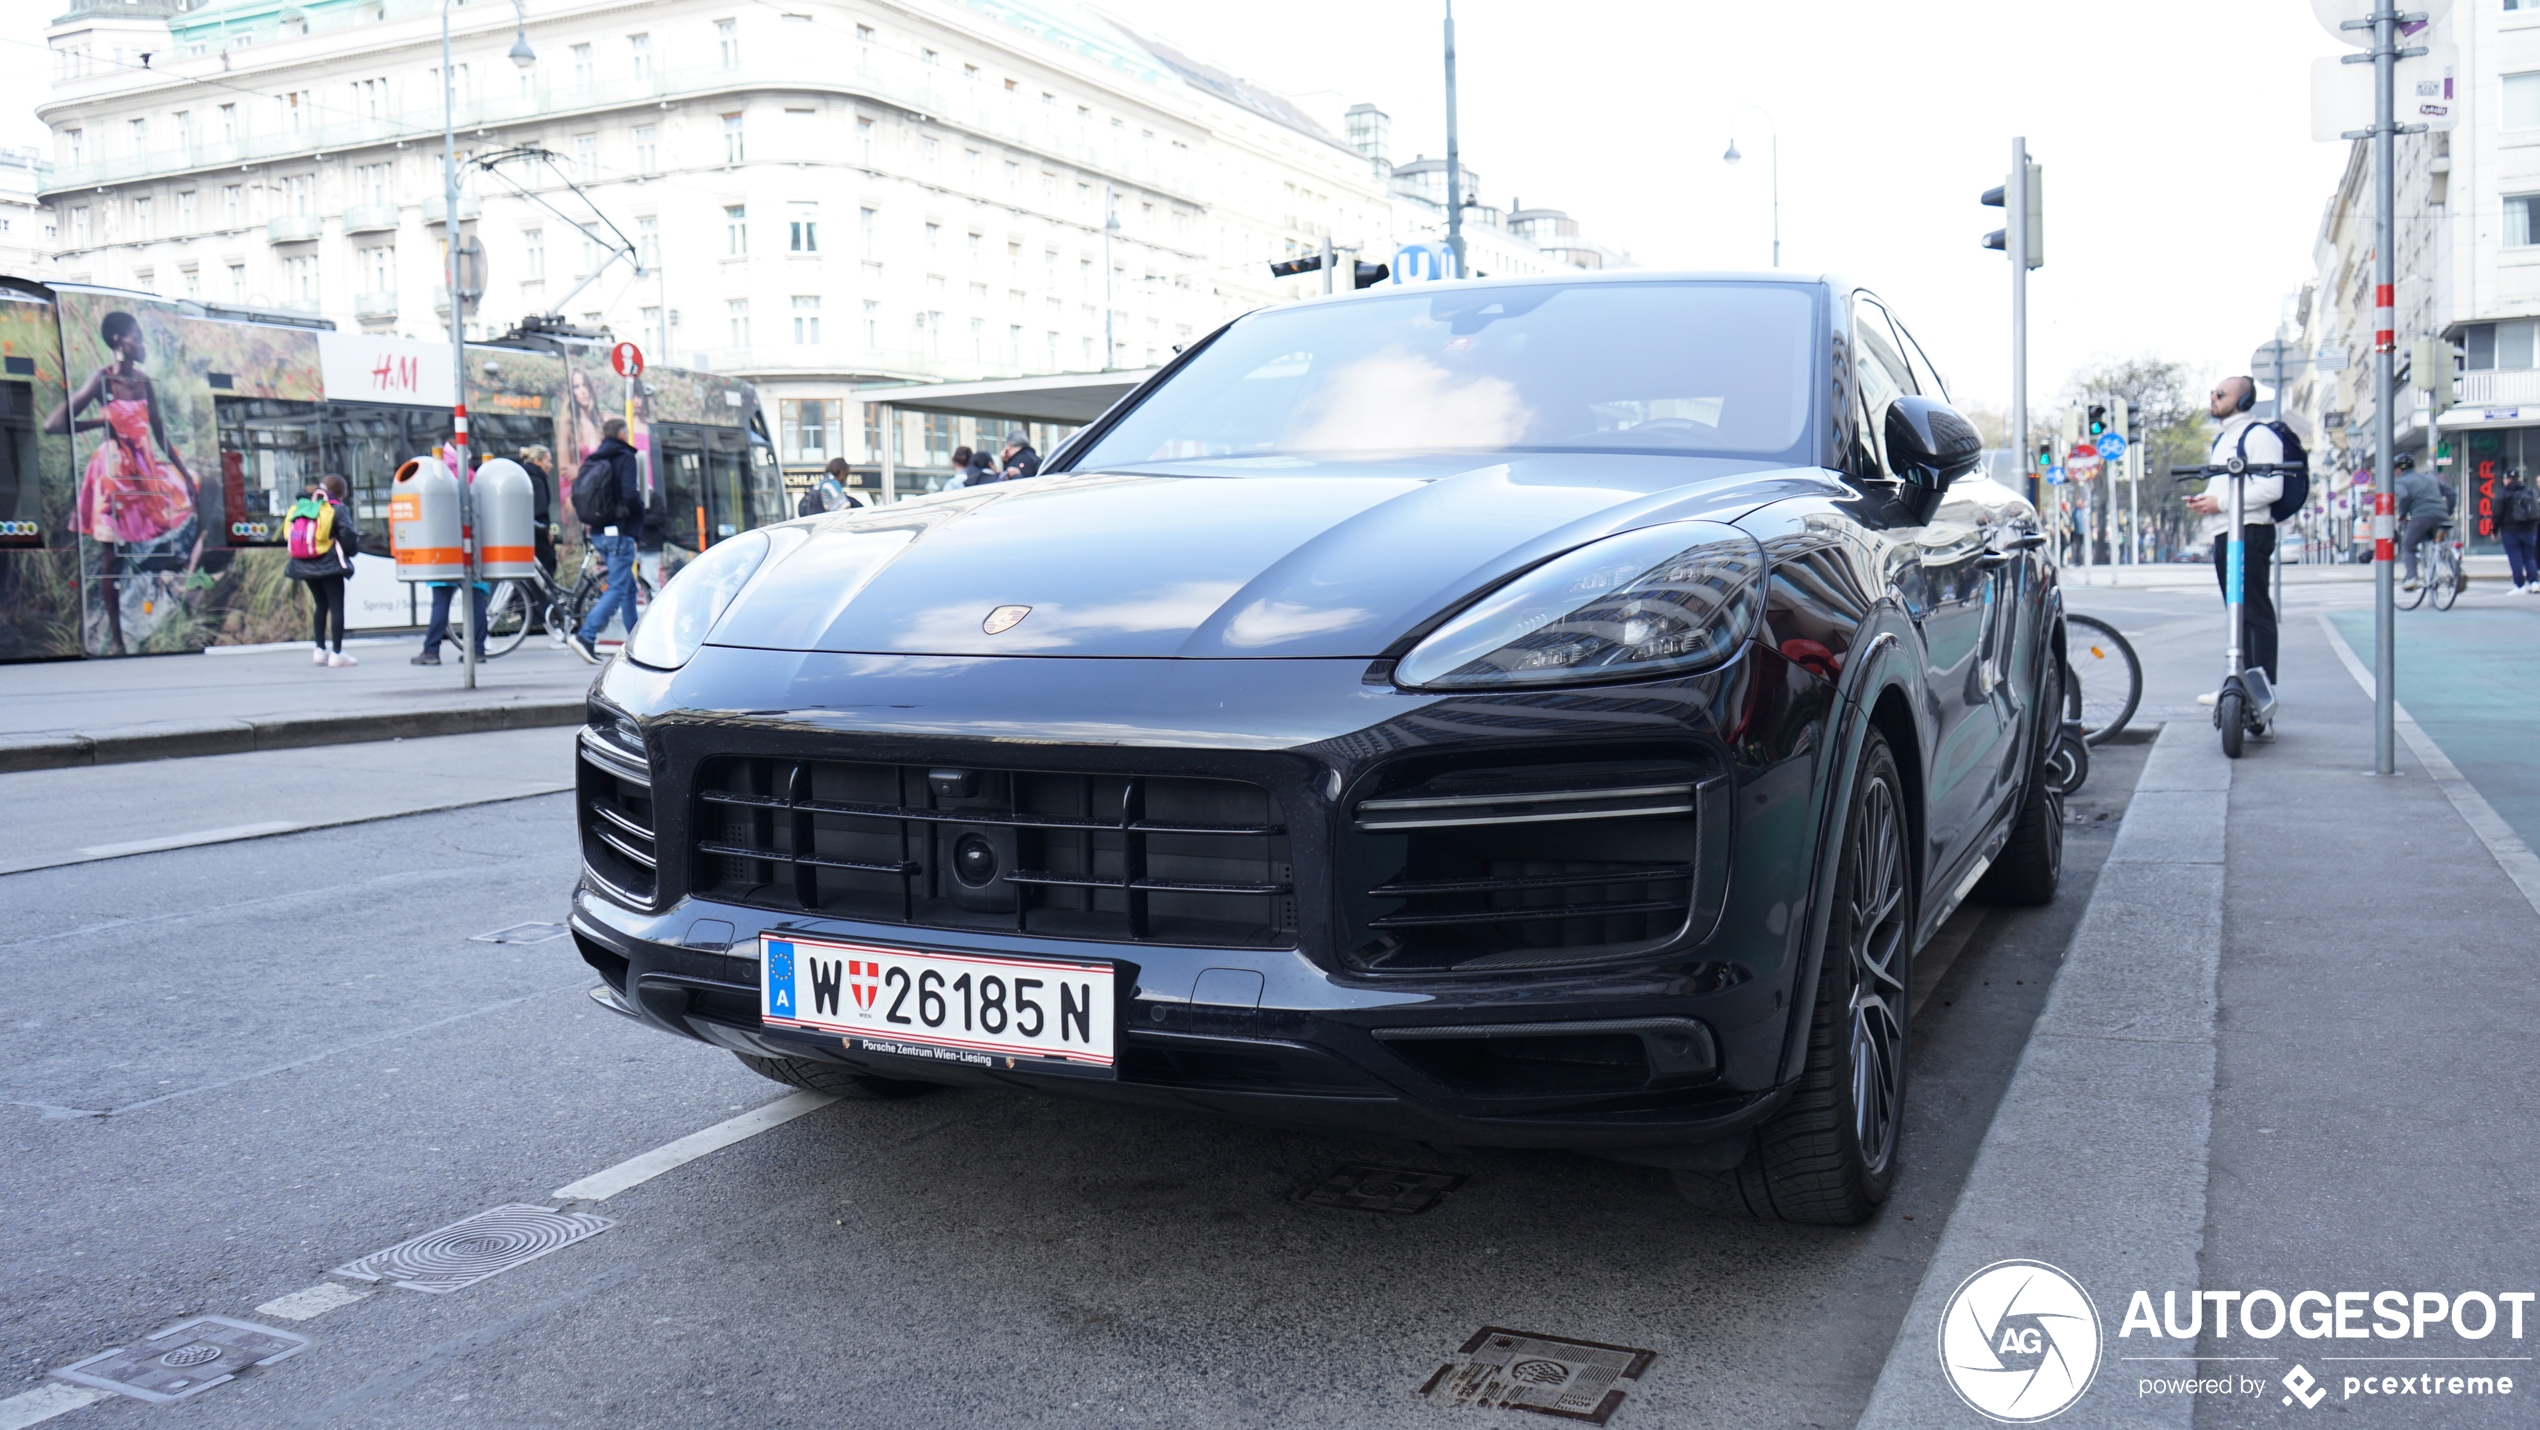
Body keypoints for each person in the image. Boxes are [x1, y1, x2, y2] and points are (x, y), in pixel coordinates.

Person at [43, 310, 202, 654]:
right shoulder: (102, 381)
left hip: (144, 469)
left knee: (191, 497)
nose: (142, 345)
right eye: (136, 338)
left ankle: (167, 598)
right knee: (112, 558)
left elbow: (159, 431)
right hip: (115, 474)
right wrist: (101, 424)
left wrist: (185, 474)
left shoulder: (143, 382)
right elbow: (52, 424)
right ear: (119, 342)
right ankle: (116, 638)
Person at [2182, 375, 2282, 684]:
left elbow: (2272, 488)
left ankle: (2259, 689)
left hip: (2249, 531)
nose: (2213, 398)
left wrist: (2220, 503)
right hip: (2228, 531)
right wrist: (2207, 501)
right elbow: (2226, 486)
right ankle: (2240, 686)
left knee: (2254, 613)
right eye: (2213, 393)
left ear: (2243, 402)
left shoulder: (2258, 435)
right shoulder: (2224, 438)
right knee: (2237, 613)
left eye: (2221, 395)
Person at [571, 416, 645, 664]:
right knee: (617, 587)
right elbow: (629, 493)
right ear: (623, 434)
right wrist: (639, 510)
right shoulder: (624, 457)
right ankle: (586, 635)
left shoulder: (594, 458)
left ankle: (638, 643)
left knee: (627, 588)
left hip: (598, 532)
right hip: (619, 532)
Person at [415, 453, 486, 667]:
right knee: (476, 602)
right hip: (472, 550)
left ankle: (431, 651)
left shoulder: (437, 481)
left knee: (441, 603)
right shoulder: (474, 477)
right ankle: (477, 650)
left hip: (444, 552)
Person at [286, 474, 360, 667]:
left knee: (321, 605)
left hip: (304, 563)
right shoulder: (337, 508)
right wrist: (350, 551)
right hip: (330, 565)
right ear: (341, 492)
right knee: (336, 607)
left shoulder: (303, 506)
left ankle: (319, 650)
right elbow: (348, 534)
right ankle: (337, 653)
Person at [2391, 452, 2454, 591]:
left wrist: (2402, 514)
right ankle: (2456, 572)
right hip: (2441, 517)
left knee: (2408, 547)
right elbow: (2451, 493)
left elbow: (2405, 496)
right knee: (2441, 545)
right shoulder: (2431, 478)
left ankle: (2411, 578)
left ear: (2398, 470)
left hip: (2421, 518)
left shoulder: (2400, 481)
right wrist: (2447, 513)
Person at [2494, 468, 2540, 593]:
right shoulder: (2530, 490)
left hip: (2510, 530)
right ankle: (2534, 582)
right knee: (2530, 557)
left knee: (2516, 558)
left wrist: (2494, 530)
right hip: (2530, 530)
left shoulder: (2504, 493)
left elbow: (2497, 514)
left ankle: (2519, 585)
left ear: (2507, 479)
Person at [518, 443, 559, 575]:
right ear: (537, 461)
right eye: (548, 461)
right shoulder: (537, 481)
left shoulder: (523, 478)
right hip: (538, 541)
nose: (551, 466)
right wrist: (546, 532)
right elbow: (538, 513)